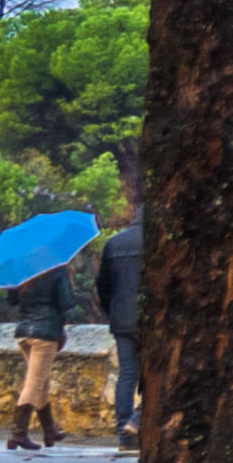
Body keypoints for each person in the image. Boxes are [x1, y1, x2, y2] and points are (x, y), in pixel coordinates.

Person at [2, 203, 81, 454]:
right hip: (45, 334)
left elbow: (12, 300)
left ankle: (50, 431)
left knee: (41, 382)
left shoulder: (24, 268)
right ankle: (18, 434)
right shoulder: (57, 271)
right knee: (34, 382)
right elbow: (68, 304)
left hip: (23, 332)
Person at [92, 186, 146, 446]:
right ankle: (138, 419)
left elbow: (103, 286)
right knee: (154, 374)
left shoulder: (115, 243)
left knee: (127, 375)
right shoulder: (167, 242)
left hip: (122, 320)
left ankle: (124, 432)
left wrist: (112, 311)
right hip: (152, 323)